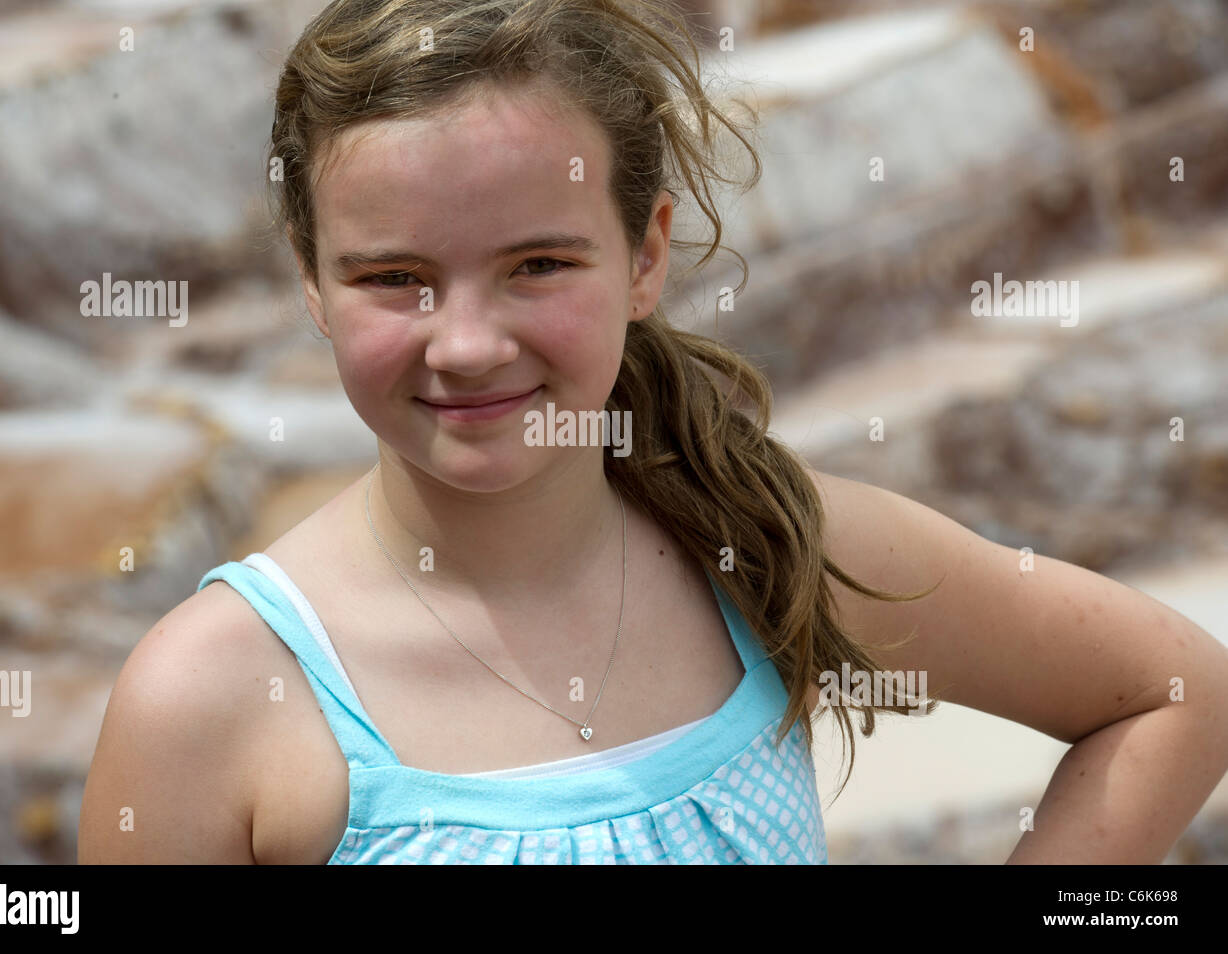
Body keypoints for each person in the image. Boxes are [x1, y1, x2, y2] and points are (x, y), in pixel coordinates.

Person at [78, 0, 1228, 864]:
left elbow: (1174, 692)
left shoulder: (768, 545)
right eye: (395, 278)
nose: (467, 343)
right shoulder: (213, 699)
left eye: (537, 265)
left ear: (643, 254)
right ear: (313, 286)